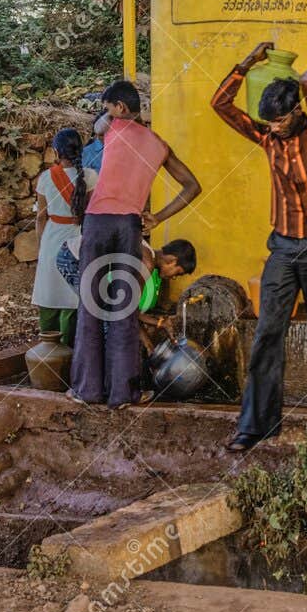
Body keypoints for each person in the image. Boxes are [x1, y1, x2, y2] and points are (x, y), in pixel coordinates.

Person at [212, 41, 307, 451]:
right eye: (269, 123)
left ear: (296, 111)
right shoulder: (266, 138)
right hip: (282, 247)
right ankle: (256, 425)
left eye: (279, 121)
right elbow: (221, 104)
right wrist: (247, 63)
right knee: (266, 334)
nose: (273, 127)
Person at [70, 79, 202, 409]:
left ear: (121, 109)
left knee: (90, 307)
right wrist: (157, 216)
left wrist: (109, 118)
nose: (105, 113)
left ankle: (87, 391)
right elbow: (192, 186)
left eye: (108, 106)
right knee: (123, 311)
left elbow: (99, 126)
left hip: (98, 222)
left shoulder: (114, 127)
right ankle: (123, 395)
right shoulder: (158, 144)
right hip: (129, 226)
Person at [32, 128, 96, 347]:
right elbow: (91, 211)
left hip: (52, 237)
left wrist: (42, 245)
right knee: (73, 297)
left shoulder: (46, 178)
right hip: (78, 238)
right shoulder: (90, 176)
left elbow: (41, 217)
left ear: (56, 152)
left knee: (49, 294)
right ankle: (69, 350)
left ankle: (47, 347)